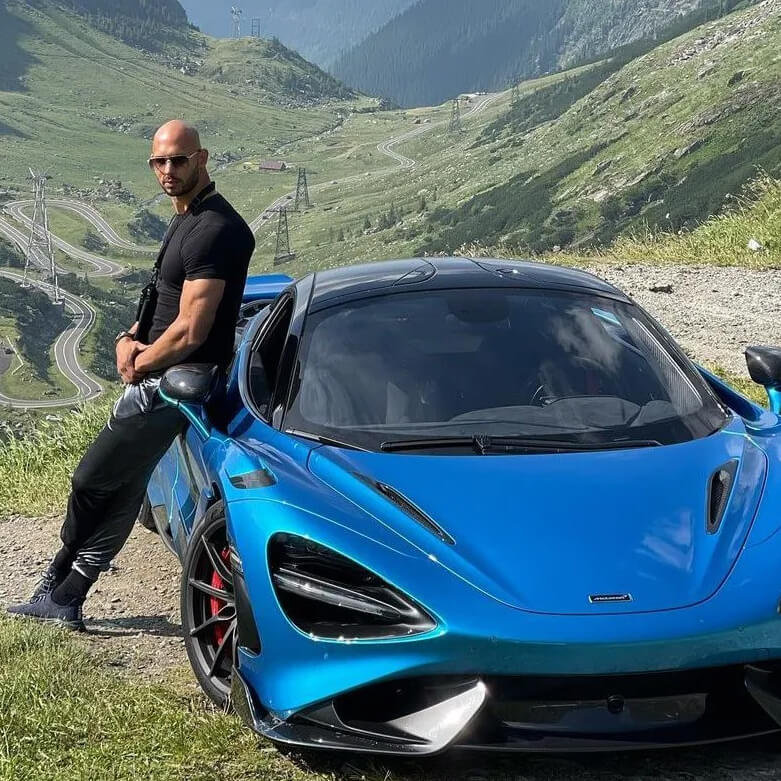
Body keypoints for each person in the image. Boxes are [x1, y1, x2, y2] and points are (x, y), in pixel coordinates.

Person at [8, 121, 255, 631]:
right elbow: (163, 301)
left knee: (92, 479)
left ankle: (60, 583)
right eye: (158, 162)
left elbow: (190, 329)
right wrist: (130, 335)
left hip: (171, 383)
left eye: (179, 160)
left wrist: (139, 363)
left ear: (202, 158)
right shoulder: (187, 217)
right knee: (125, 485)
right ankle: (66, 592)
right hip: (158, 372)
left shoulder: (216, 230)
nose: (168, 170)